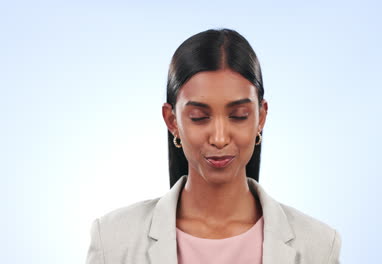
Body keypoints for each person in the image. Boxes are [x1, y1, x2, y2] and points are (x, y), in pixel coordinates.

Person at [85, 28, 341, 264]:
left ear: (261, 118)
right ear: (172, 120)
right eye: (199, 117)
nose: (219, 138)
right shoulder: (112, 241)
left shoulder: (318, 246)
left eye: (239, 115)